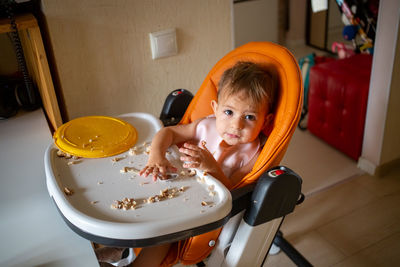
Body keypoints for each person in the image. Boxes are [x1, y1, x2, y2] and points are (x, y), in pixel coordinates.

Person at [96, 61, 276, 267]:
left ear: (266, 121)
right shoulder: (205, 125)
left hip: (199, 211)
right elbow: (168, 132)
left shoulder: (252, 153)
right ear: (215, 109)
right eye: (228, 112)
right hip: (175, 188)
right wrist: (157, 155)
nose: (236, 124)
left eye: (250, 117)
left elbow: (231, 193)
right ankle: (120, 246)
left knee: (165, 232)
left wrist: (212, 168)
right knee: (138, 187)